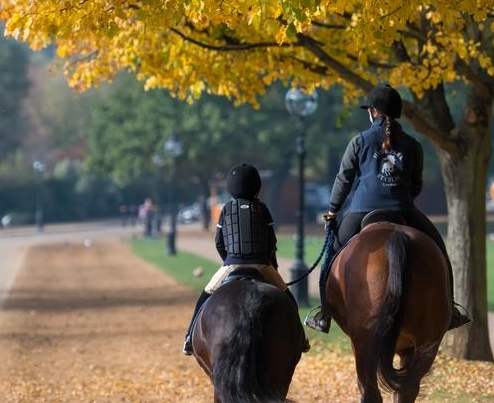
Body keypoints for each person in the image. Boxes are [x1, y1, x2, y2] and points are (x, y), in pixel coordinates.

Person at [305, 84, 471, 334]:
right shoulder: (413, 145)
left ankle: (324, 314)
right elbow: (416, 184)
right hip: (404, 211)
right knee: (440, 252)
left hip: (361, 211)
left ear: (373, 112)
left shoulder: (359, 141)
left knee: (331, 257)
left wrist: (333, 211)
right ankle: (451, 311)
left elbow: (344, 180)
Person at [182, 163, 308, 354]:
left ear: (231, 187)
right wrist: (270, 264)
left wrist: (228, 260)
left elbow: (219, 242)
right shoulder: (263, 209)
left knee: (205, 296)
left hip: (232, 265)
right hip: (261, 265)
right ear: (256, 186)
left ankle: (190, 338)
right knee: (289, 299)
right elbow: (270, 242)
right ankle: (301, 338)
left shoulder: (225, 210)